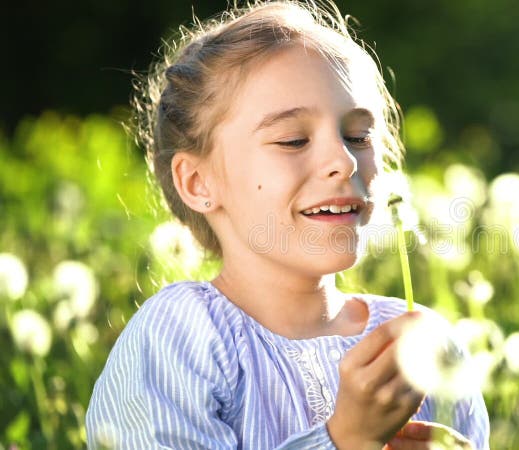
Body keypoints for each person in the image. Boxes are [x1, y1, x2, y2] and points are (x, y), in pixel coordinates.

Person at [85, 1, 490, 449]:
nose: (342, 160)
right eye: (293, 140)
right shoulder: (181, 336)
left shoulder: (423, 341)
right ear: (198, 182)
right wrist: (346, 440)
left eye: (358, 136)